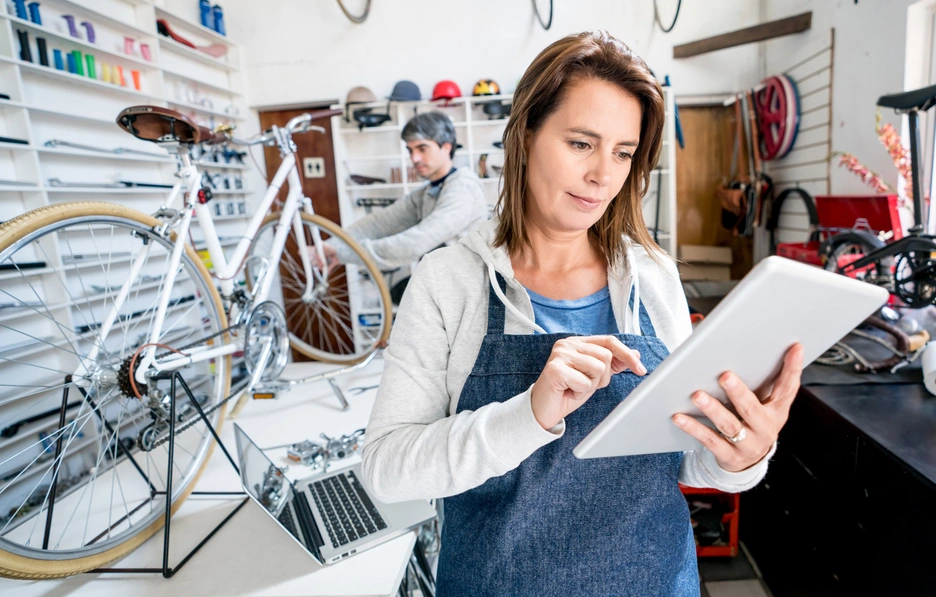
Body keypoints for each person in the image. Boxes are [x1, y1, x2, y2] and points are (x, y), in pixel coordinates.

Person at [361, 31, 804, 597]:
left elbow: (685, 461)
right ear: (525, 135)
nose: (603, 175)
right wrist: (529, 414)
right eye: (580, 143)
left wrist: (745, 455)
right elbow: (386, 469)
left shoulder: (651, 277)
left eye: (623, 152)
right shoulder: (449, 280)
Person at [316, 112, 487, 273]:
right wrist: (326, 246)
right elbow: (379, 224)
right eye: (410, 150)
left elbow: (416, 242)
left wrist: (341, 253)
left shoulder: (464, 188)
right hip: (442, 287)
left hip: (468, 296)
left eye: (422, 148)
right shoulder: (426, 192)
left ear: (446, 148)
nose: (414, 158)